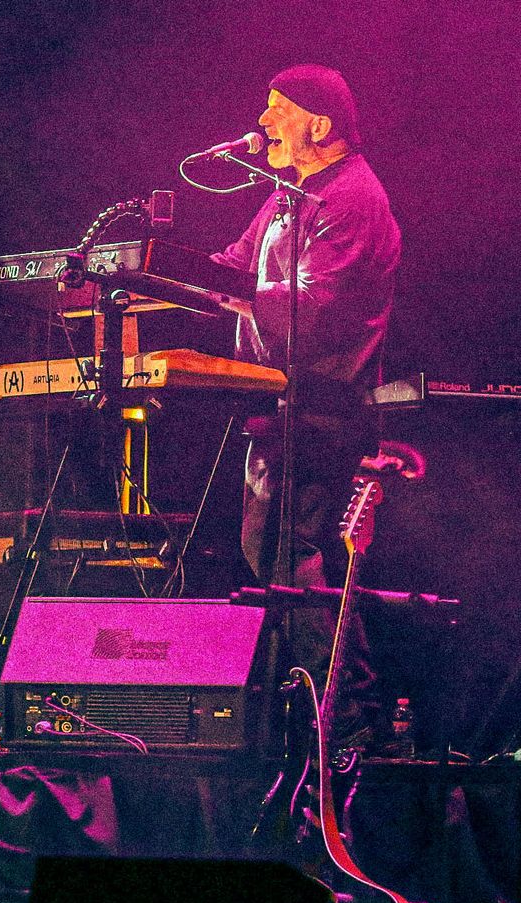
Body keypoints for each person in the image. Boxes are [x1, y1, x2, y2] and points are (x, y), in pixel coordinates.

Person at [211, 65, 401, 747]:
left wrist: (228, 293)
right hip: (279, 403)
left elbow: (312, 311)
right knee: (275, 553)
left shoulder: (352, 198)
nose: (262, 122)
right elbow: (234, 266)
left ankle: (350, 724)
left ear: (319, 125)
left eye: (276, 109)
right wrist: (154, 269)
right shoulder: (288, 195)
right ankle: (340, 719)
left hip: (322, 409)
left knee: (285, 553)